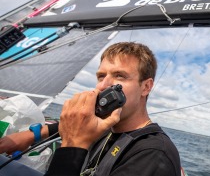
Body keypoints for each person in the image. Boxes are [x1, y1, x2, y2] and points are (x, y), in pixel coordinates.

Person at [0, 42, 181, 176]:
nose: (103, 86)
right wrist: (32, 135)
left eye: (120, 76)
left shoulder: (153, 155)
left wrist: (73, 147)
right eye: (101, 76)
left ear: (146, 87)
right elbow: (65, 126)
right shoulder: (105, 125)